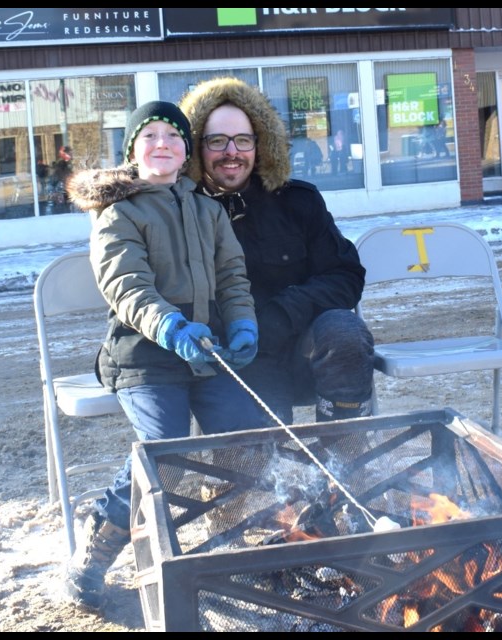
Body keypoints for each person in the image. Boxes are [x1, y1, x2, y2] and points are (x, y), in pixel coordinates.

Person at [62, 101, 268, 612]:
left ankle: (225, 539)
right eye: (149, 135)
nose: (162, 143)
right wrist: (169, 326)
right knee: (165, 450)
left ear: (185, 151)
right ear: (133, 149)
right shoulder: (120, 212)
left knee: (248, 432)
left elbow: (232, 279)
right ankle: (91, 557)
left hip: (206, 351)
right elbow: (125, 286)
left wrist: (243, 322)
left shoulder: (208, 208)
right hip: (145, 355)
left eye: (173, 136)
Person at [178, 77, 375, 427]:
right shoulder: (181, 212)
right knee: (267, 474)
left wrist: (285, 312)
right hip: (233, 363)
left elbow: (345, 276)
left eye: (243, 140)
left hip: (305, 347)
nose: (232, 152)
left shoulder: (298, 200)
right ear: (196, 146)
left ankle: (346, 454)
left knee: (345, 330)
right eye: (217, 141)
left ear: (261, 144)